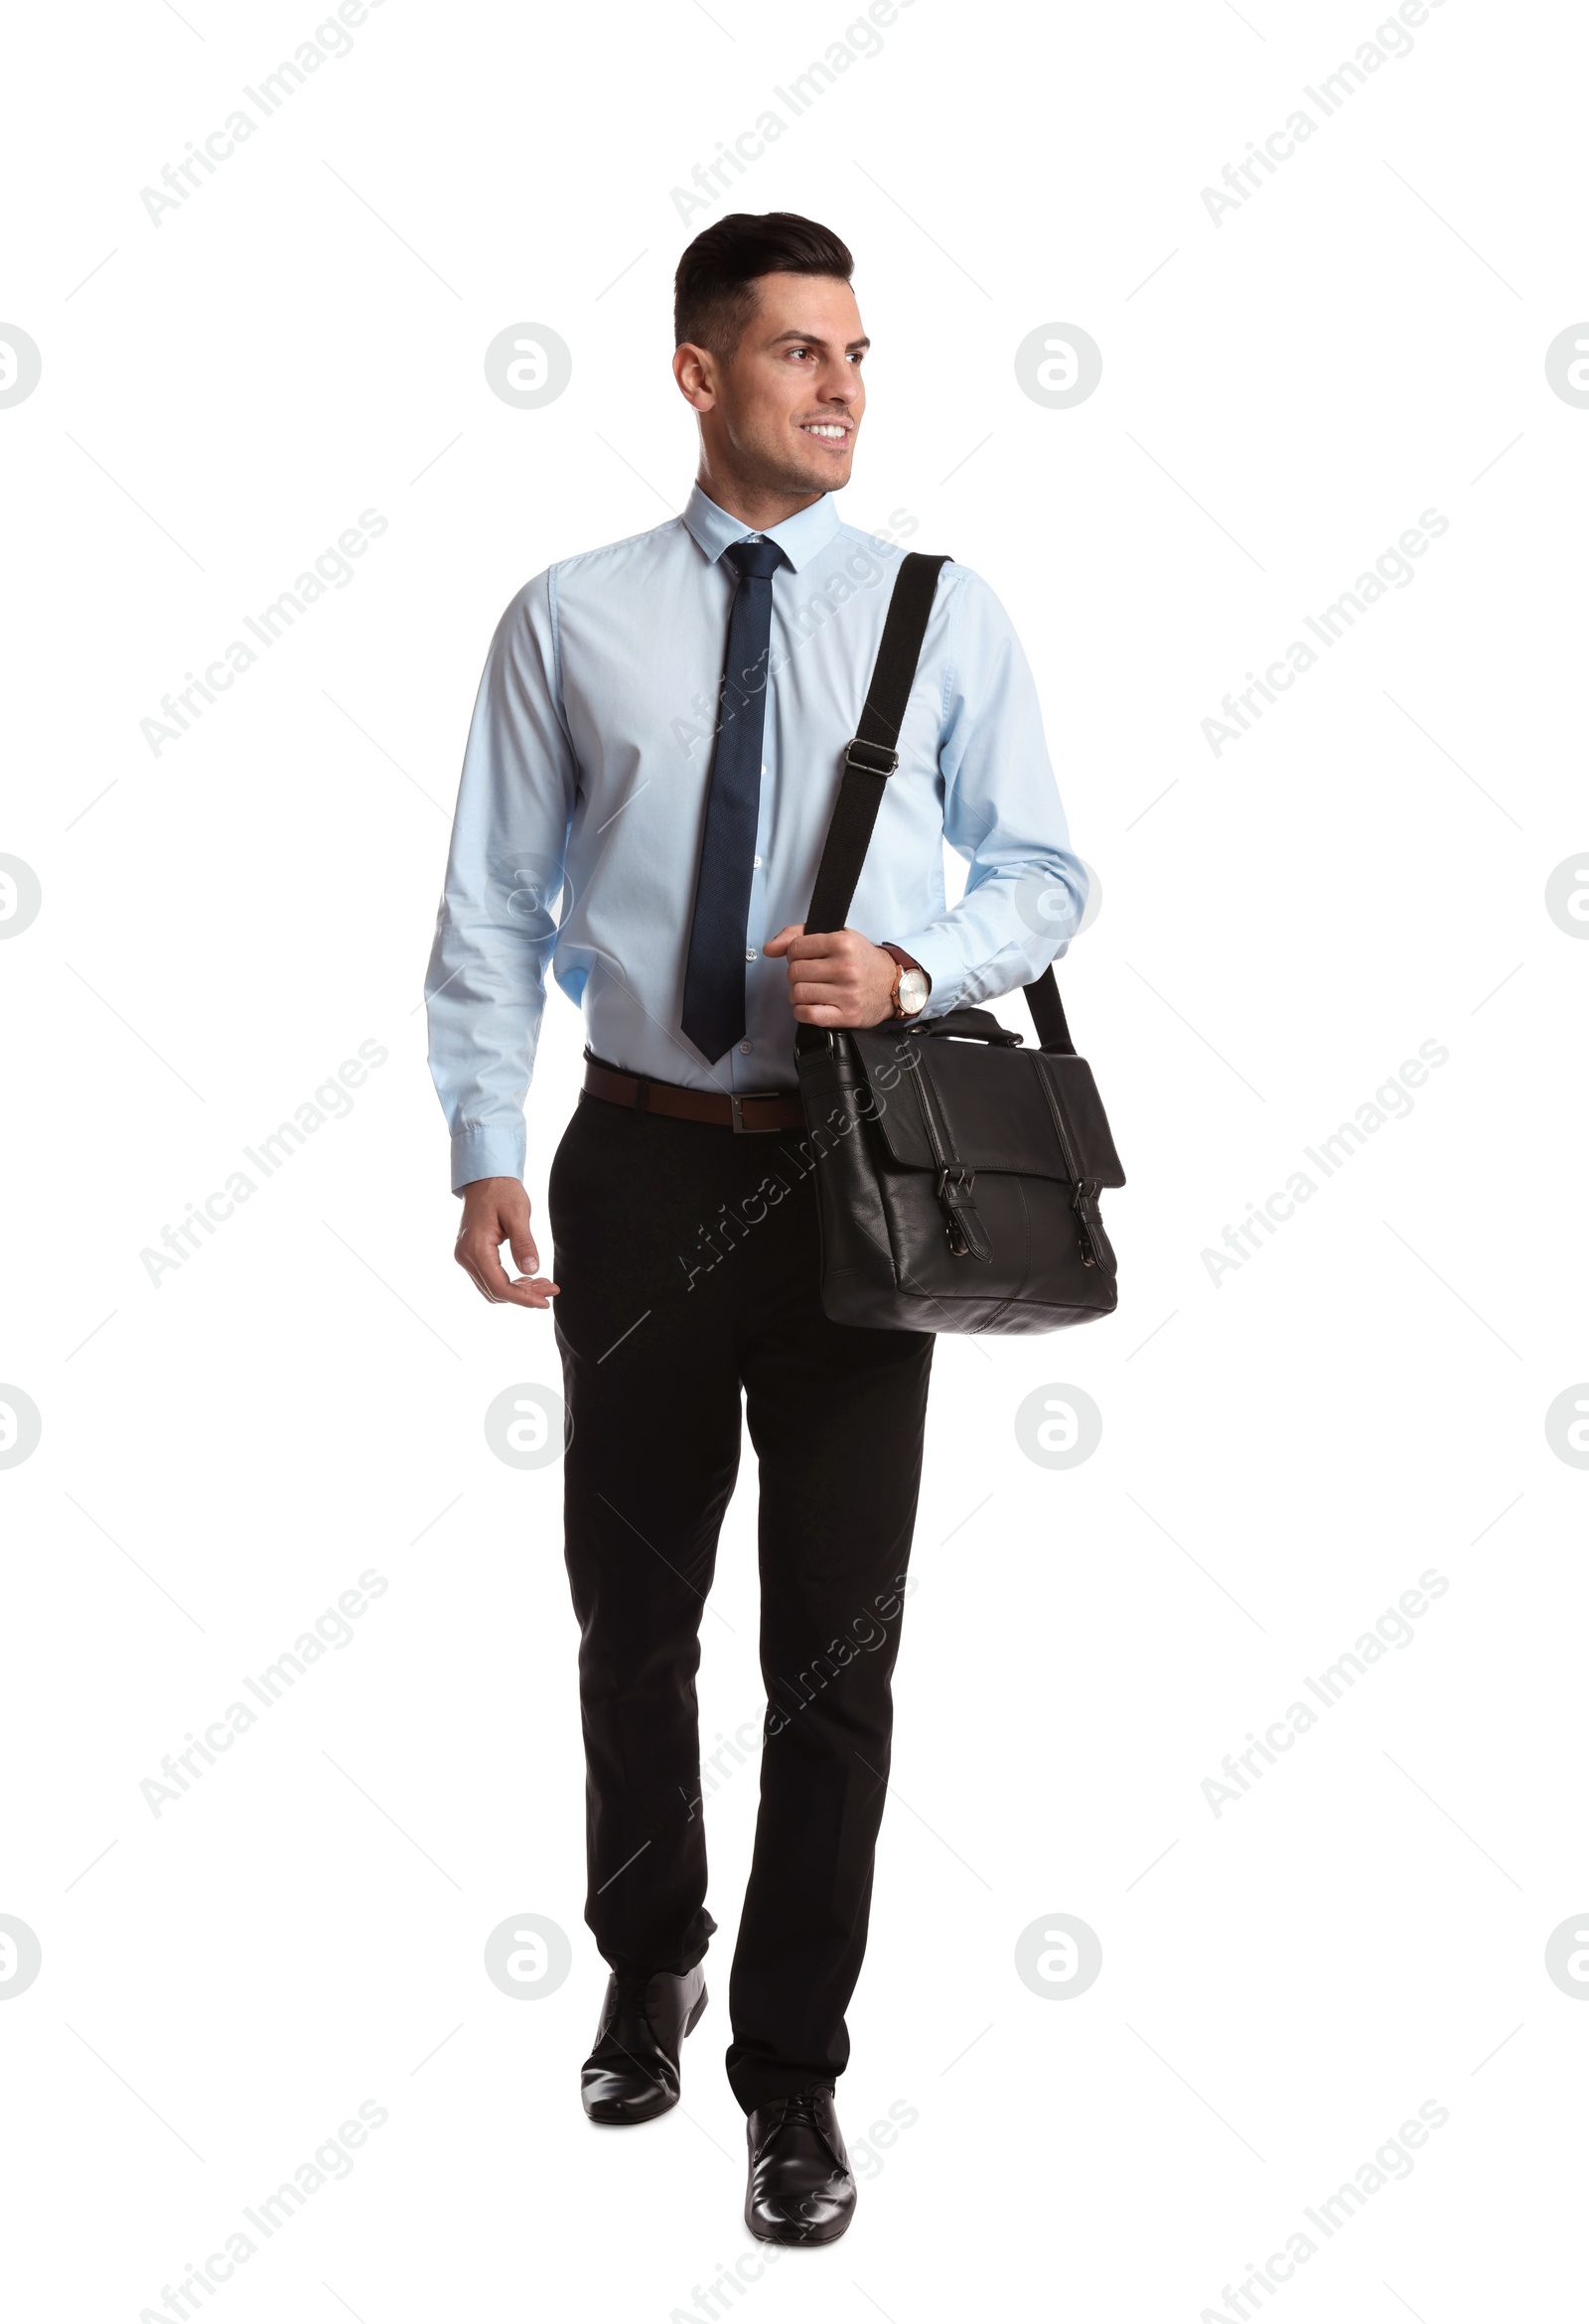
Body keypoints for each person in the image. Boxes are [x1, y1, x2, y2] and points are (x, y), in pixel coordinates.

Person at [425, 210, 1086, 2245]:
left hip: (849, 1175)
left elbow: (1047, 875)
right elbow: (489, 907)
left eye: (861, 355)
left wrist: (908, 967)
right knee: (628, 1616)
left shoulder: (940, 609)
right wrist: (482, 1148)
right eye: (802, 353)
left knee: (833, 1653)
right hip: (629, 1166)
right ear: (700, 373)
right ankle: (650, 1950)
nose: (843, 390)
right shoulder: (566, 618)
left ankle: (788, 2082)